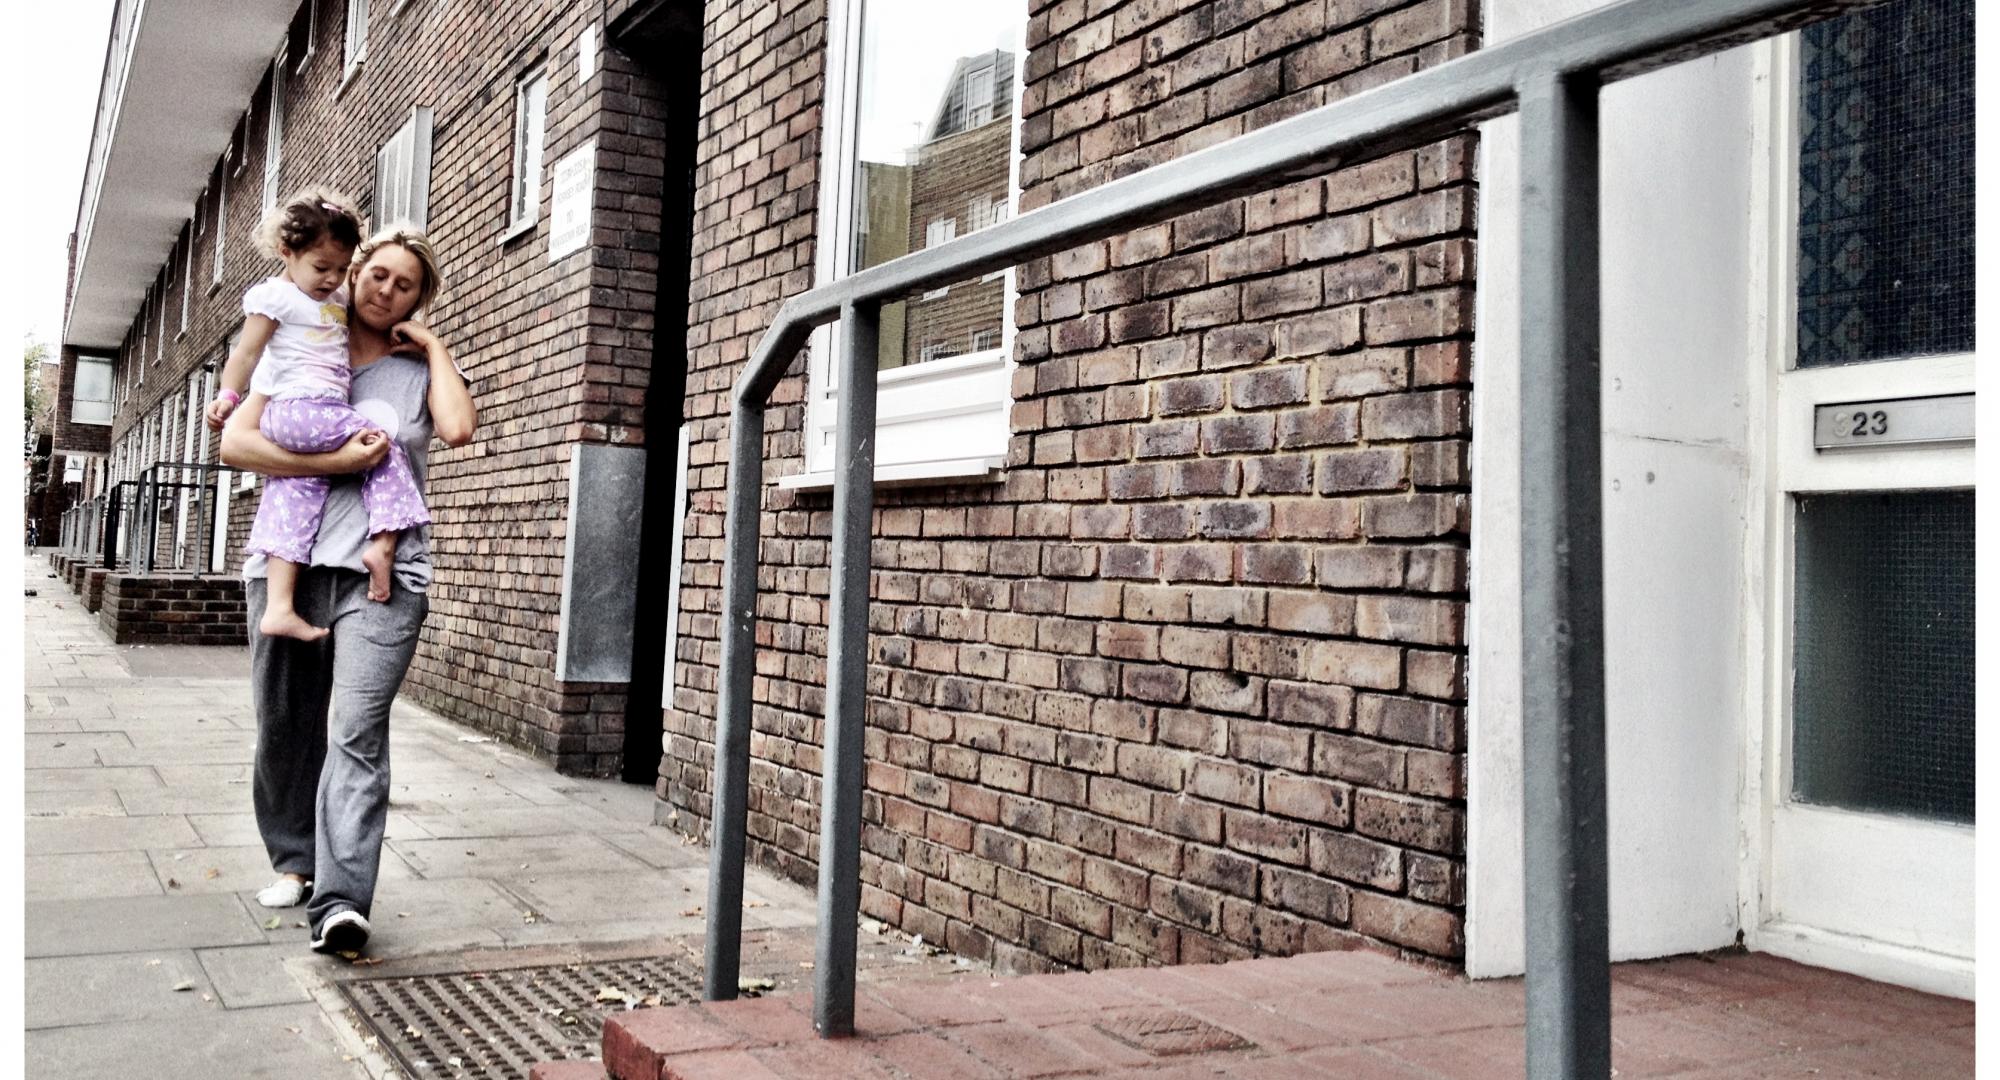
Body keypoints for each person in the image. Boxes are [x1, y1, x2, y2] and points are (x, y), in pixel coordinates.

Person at [219, 226, 474, 956]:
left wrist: (433, 349)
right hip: (286, 567)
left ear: (418, 300)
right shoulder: (304, 338)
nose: (385, 290)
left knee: (356, 732)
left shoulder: (415, 368)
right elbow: (236, 443)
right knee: (283, 726)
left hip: (382, 581)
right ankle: (295, 860)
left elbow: (457, 428)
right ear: (353, 273)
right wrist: (337, 458)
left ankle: (341, 901)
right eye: (378, 275)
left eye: (405, 285)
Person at [208, 186, 431, 643]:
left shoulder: (333, 299)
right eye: (321, 268)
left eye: (341, 269)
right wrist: (228, 396)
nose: (331, 279)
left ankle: (279, 606)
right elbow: (246, 355)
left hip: (309, 414)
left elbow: (370, 300)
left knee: (293, 495)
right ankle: (384, 546)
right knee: (380, 445)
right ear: (286, 253)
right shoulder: (277, 297)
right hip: (300, 408)